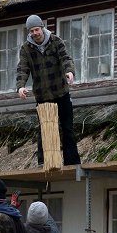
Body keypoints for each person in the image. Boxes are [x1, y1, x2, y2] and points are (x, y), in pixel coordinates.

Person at [16, 14, 81, 166]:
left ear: (42, 28)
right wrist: (20, 86)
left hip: (61, 92)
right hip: (42, 96)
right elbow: (22, 68)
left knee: (67, 128)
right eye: (31, 31)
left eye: (37, 30)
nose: (35, 33)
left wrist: (70, 71)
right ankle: (44, 161)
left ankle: (72, 162)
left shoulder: (56, 41)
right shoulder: (26, 48)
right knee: (45, 129)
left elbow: (66, 58)